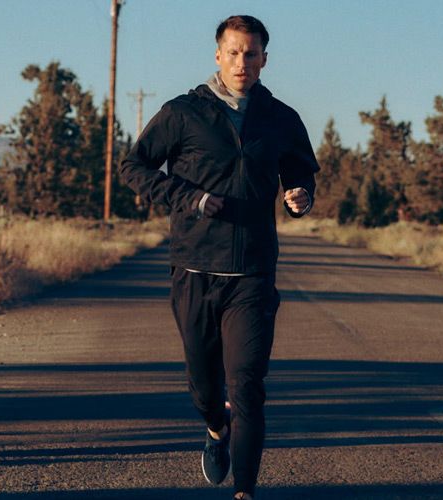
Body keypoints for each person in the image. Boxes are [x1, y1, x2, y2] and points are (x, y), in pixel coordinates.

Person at [118, 14, 318, 500]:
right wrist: (190, 199)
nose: (241, 62)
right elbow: (133, 166)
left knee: (247, 386)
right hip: (194, 269)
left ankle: (245, 491)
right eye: (233, 52)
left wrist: (300, 195)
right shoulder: (183, 112)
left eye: (251, 54)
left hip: (252, 272)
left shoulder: (282, 118)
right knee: (206, 388)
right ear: (217, 55)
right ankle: (214, 429)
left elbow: (300, 172)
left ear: (264, 59)